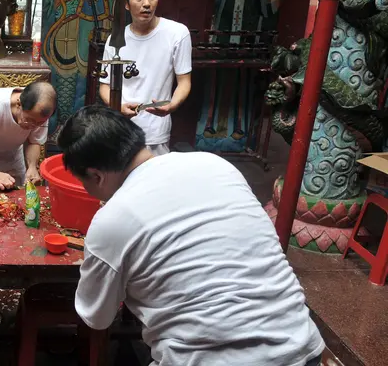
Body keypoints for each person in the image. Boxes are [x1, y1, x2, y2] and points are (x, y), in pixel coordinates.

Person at [57, 105, 325, 365]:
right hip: (301, 346)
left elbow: (97, 317)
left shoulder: (112, 219)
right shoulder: (215, 165)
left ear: (95, 176)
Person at [99, 0, 192, 156]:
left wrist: (172, 105)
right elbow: (105, 85)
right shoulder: (116, 39)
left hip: (156, 132)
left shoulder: (177, 34)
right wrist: (117, 106)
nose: (147, 4)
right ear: (126, 4)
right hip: (121, 129)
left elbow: (184, 81)